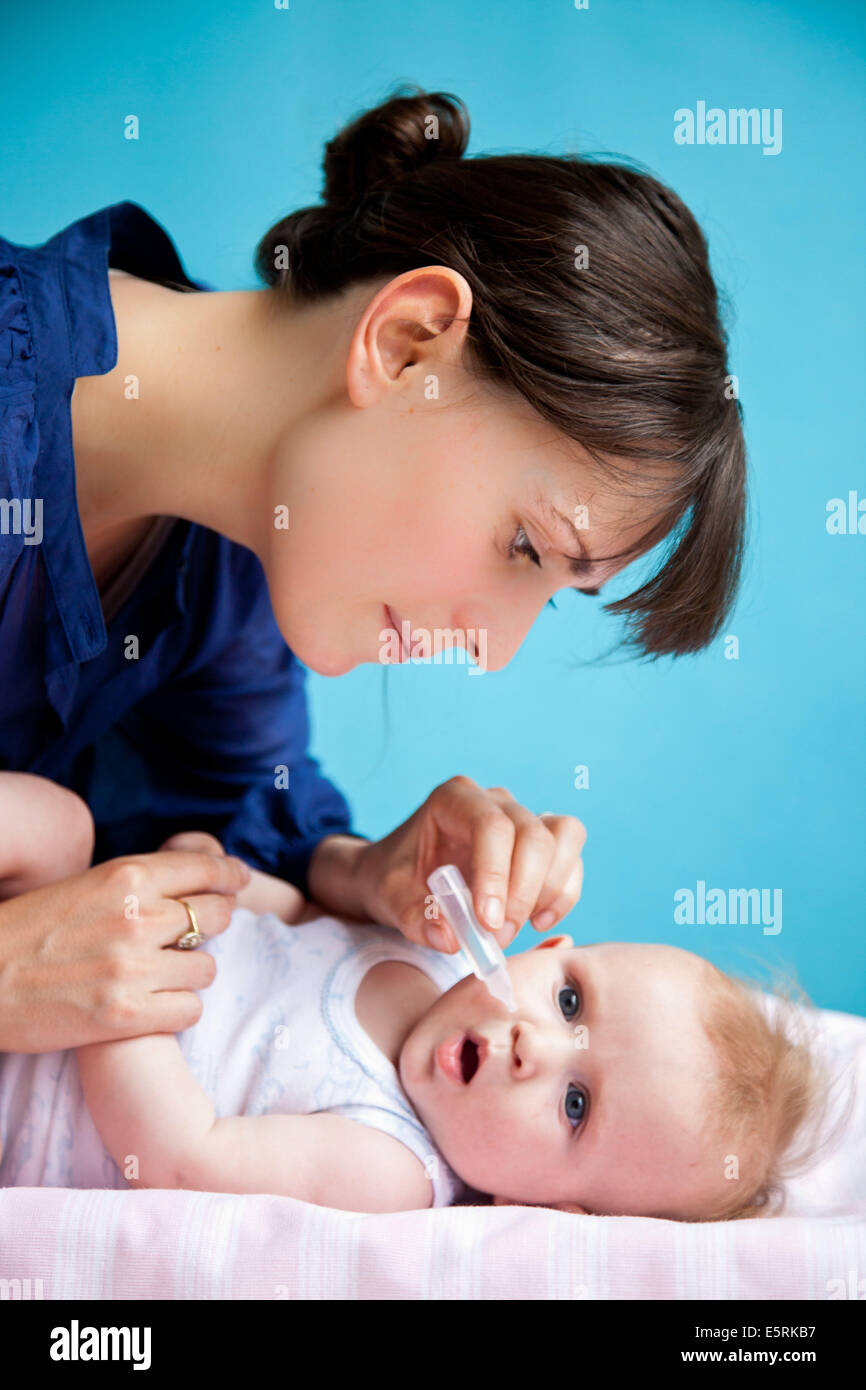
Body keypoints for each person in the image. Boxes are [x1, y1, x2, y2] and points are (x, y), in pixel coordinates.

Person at [0, 86, 745, 1058]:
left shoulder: (224, 563)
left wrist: (370, 871)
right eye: (524, 546)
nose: (491, 651)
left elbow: (226, 804)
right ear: (405, 345)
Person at [0, 785, 831, 1220]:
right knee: (58, 825)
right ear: (547, 952)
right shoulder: (427, 952)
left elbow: (183, 1156)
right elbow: (295, 922)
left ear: (544, 1207)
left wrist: (130, 970)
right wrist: (223, 879)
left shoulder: (391, 1166)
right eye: (572, 1002)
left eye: (576, 1105)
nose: (533, 1045)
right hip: (63, 941)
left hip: (29, 1099)